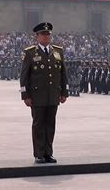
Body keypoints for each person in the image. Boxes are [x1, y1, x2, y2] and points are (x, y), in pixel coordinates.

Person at [20, 22, 69, 164]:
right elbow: (24, 77)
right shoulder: (30, 53)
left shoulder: (58, 52)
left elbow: (63, 73)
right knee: (38, 125)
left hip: (53, 95)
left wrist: (64, 92)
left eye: (48, 34)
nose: (46, 36)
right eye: (43, 34)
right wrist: (25, 95)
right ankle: (39, 154)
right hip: (37, 96)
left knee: (50, 125)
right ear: (37, 36)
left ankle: (49, 152)